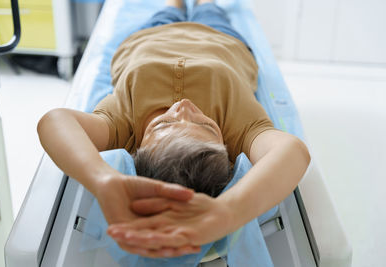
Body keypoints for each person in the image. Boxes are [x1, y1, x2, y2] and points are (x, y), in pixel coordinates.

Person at [37, 0, 311, 259]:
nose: (184, 108)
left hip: (149, 38)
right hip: (219, 39)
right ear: (225, 147)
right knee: (209, 7)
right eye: (206, 124)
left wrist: (103, 179)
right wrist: (228, 212)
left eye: (163, 123)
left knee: (170, 6)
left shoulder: (123, 121)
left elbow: (54, 120)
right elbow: (293, 151)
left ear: (137, 148)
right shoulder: (238, 126)